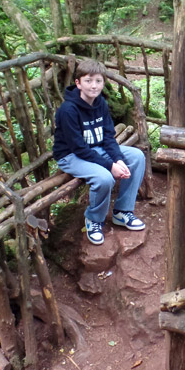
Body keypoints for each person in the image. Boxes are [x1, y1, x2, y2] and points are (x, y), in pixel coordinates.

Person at [53, 59, 146, 245]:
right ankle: (94, 220)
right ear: (78, 83)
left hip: (97, 149)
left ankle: (122, 211)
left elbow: (109, 137)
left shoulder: (101, 103)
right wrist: (110, 166)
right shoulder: (68, 110)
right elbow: (79, 148)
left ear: (103, 83)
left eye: (98, 81)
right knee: (105, 178)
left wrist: (118, 159)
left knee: (137, 156)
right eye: (88, 81)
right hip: (71, 155)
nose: (93, 86)